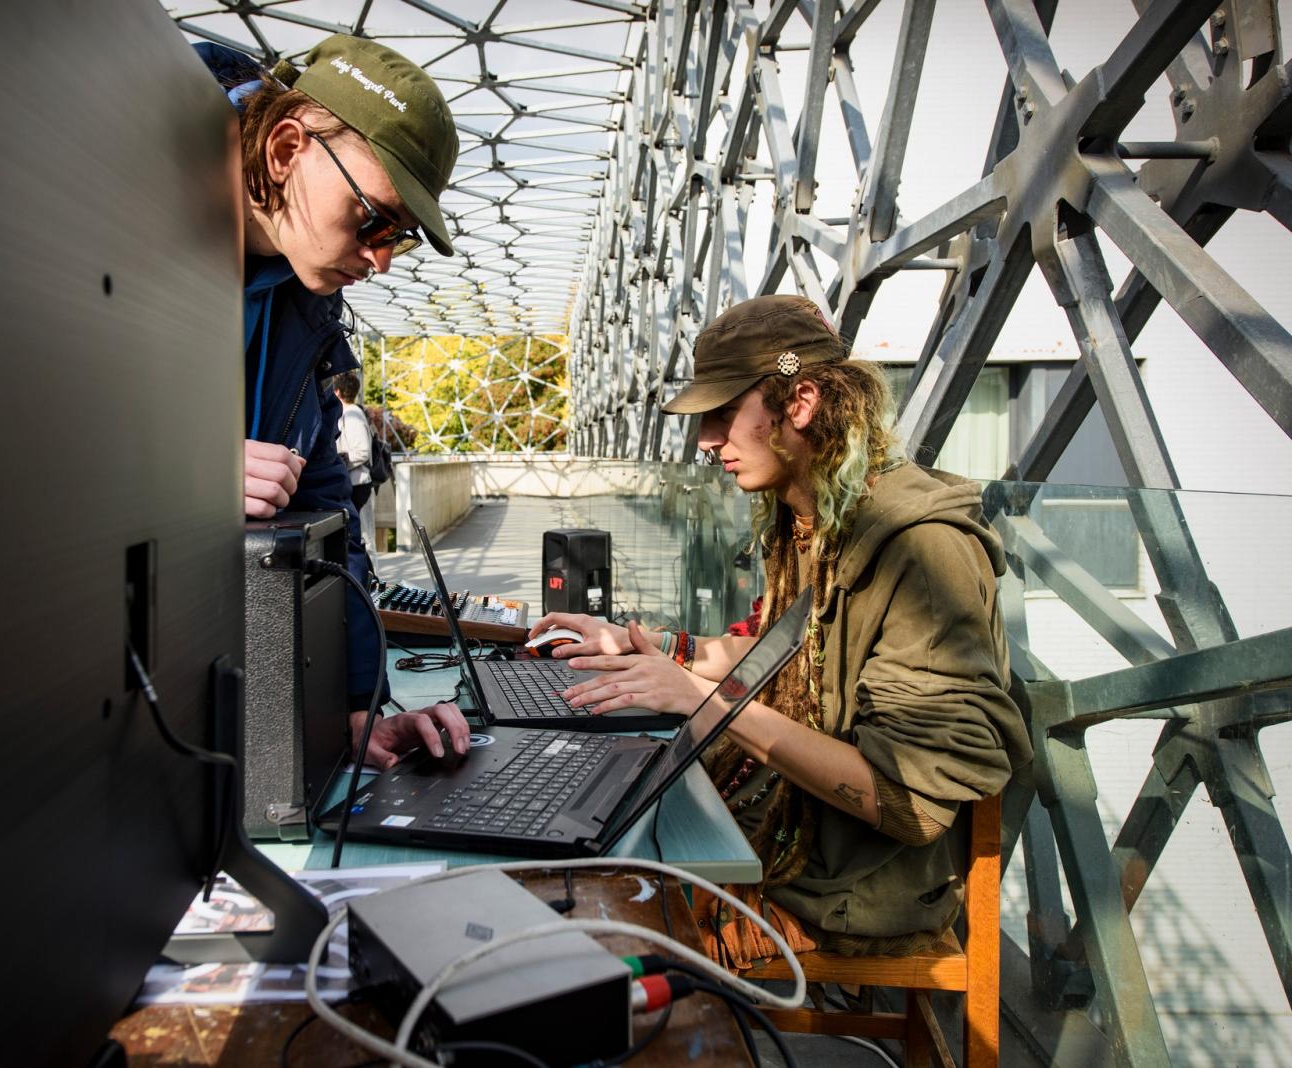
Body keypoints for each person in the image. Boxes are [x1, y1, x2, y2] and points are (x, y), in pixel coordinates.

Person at [528, 294, 1031, 966]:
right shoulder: (818, 513)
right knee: (567, 854)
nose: (706, 441)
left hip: (846, 887)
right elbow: (791, 658)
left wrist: (700, 698)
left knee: (589, 931)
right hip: (783, 830)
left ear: (801, 403)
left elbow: (911, 803)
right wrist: (654, 645)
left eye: (722, 413)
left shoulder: (923, 549)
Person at [194, 35, 469, 767]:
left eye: (400, 237)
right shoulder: (111, 199)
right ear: (287, 149)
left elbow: (327, 515)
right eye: (374, 217)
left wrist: (358, 704)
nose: (381, 258)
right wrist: (186, 480)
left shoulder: (304, 312)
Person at [332, 371, 376, 551]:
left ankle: (366, 567)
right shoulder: (351, 413)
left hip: (358, 483)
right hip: (355, 482)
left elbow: (362, 451)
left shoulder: (352, 415)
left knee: (361, 536)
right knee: (358, 536)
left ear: (337, 392)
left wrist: (341, 462)